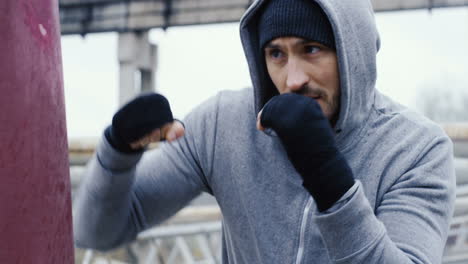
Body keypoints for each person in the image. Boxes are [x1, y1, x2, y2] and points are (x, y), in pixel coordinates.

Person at [73, 0, 456, 263]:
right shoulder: (223, 124)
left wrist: (328, 178)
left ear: (351, 51)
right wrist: (117, 152)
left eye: (312, 50)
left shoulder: (417, 149)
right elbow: (98, 233)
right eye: (276, 53)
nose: (292, 80)